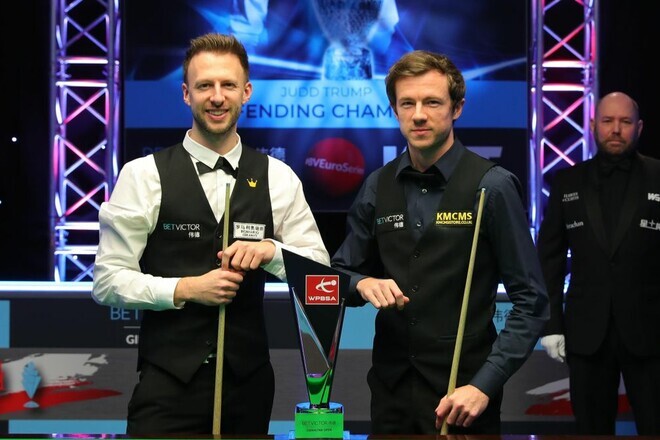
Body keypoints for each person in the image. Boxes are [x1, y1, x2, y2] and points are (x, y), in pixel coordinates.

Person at [92, 33, 330, 436]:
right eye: (205, 85)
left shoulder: (279, 177)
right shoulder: (143, 175)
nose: (217, 97)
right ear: (186, 94)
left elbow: (319, 275)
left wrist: (271, 252)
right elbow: (107, 280)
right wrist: (185, 288)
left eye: (228, 85)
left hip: (248, 386)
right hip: (167, 387)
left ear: (246, 92)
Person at [331, 50, 549, 435]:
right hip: (390, 395)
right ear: (394, 110)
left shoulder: (492, 187)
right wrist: (361, 284)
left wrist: (484, 385)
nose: (418, 114)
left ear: (457, 108)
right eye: (407, 103)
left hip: (463, 398)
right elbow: (336, 276)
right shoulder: (377, 186)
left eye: (432, 102)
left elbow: (532, 302)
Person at [537, 91, 660, 435]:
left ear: (639, 127)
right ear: (593, 125)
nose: (616, 129)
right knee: (591, 430)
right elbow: (549, 259)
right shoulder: (567, 181)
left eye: (625, 122)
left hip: (651, 333)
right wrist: (552, 324)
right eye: (607, 121)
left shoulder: (658, 175)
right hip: (586, 333)